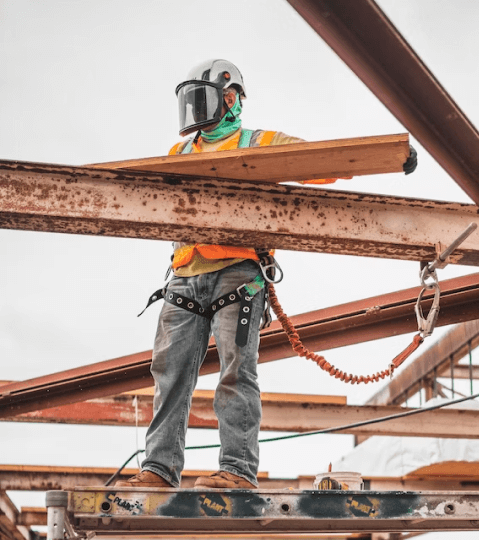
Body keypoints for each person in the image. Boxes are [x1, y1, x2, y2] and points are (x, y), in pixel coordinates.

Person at [116, 59, 417, 490]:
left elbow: (320, 161)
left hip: (238, 276)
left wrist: (389, 156)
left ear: (231, 98)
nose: (195, 110)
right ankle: (159, 471)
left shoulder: (260, 143)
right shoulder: (179, 153)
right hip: (184, 276)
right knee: (170, 374)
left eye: (203, 98)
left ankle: (237, 471)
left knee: (237, 372)